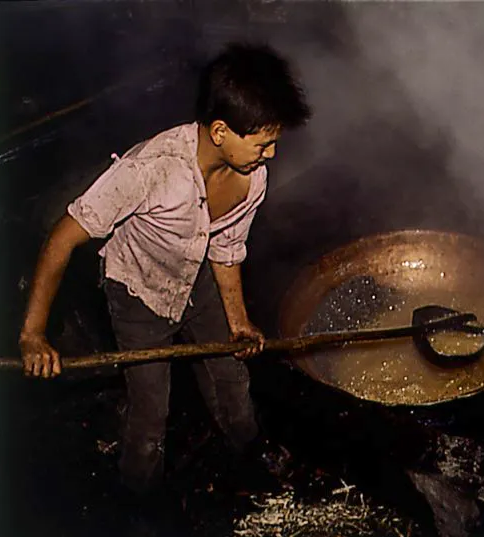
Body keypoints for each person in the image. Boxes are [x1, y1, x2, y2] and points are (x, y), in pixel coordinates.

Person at [17, 43, 311, 497]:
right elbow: (62, 239)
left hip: (200, 284)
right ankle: (139, 495)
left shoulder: (252, 175)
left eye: (273, 143)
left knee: (231, 377)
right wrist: (34, 335)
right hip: (139, 293)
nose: (271, 155)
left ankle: (250, 454)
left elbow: (226, 248)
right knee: (152, 406)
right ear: (220, 131)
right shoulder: (150, 170)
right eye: (263, 143)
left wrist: (238, 322)